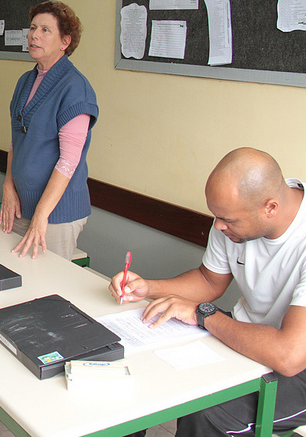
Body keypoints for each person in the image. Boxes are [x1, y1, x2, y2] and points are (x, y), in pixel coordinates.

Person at [111, 148, 306, 437]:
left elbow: (289, 356)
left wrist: (204, 314)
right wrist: (150, 288)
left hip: (297, 361)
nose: (218, 226)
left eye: (228, 220)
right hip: (245, 332)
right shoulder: (233, 216)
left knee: (206, 412)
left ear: (271, 208)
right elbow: (209, 280)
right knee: (139, 365)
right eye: (216, 215)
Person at [0, 1, 99, 261]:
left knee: (45, 290)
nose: (34, 35)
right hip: (22, 206)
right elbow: (15, 143)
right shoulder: (25, 81)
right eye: (33, 28)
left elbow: (68, 161)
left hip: (56, 214)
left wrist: (41, 215)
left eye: (45, 30)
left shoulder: (75, 88)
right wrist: (8, 188)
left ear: (65, 41)